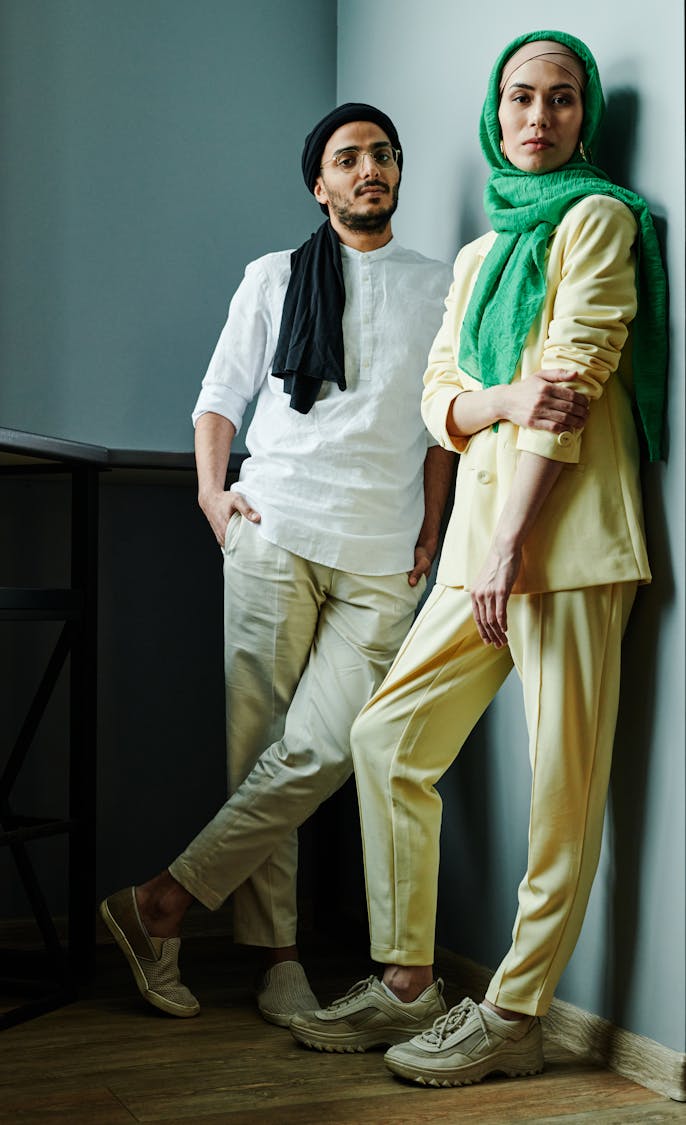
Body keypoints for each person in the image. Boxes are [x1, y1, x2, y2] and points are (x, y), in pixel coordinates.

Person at [289, 31, 668, 1086]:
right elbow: (442, 394)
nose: (537, 119)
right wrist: (493, 403)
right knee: (387, 738)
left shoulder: (597, 220)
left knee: (562, 790)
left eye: (558, 100)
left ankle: (515, 1013)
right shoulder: (482, 252)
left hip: (572, 546)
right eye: (519, 99)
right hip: (479, 551)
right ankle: (409, 980)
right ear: (495, 114)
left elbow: (577, 373)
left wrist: (508, 540)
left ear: (583, 114)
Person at [99, 103, 460, 1030]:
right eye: (349, 158)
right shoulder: (274, 276)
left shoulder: (439, 284)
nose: (369, 169)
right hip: (279, 526)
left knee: (326, 746)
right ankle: (276, 956)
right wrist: (214, 496)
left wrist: (434, 528)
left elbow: (441, 419)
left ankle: (160, 903)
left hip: (384, 553)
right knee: (256, 744)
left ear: (397, 174)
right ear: (321, 183)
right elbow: (220, 395)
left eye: (383, 155)